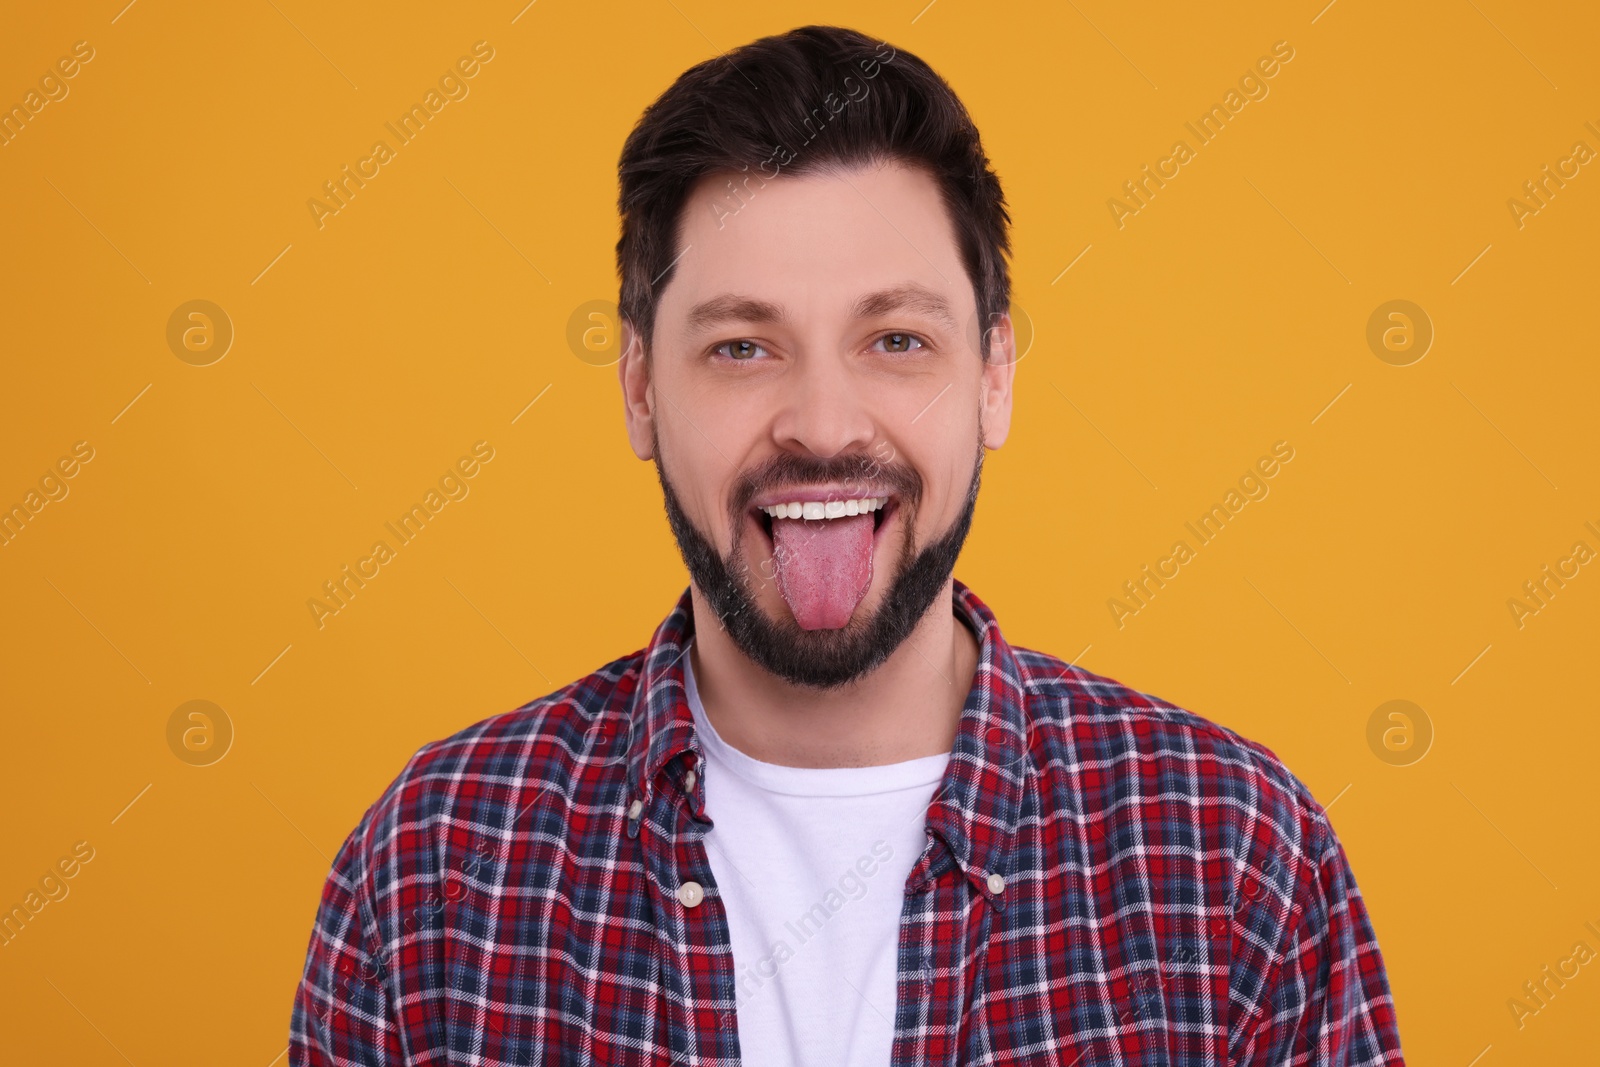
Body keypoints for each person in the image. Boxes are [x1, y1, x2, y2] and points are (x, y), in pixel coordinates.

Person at [290, 24, 1405, 1066]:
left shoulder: (1238, 861)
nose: (822, 424)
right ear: (637, 386)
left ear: (994, 376)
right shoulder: (431, 871)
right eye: (741, 346)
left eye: (896, 339)